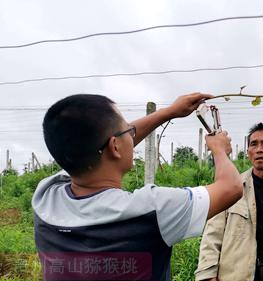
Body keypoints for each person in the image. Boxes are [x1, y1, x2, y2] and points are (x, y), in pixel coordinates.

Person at [32, 93, 243, 281]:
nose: (132, 135)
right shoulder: (151, 210)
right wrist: (220, 150)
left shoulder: (45, 196)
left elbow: (97, 143)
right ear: (115, 146)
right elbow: (231, 187)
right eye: (128, 131)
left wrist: (169, 112)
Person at [195, 122, 263, 281]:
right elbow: (213, 234)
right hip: (239, 273)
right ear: (248, 152)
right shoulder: (231, 188)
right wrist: (208, 275)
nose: (259, 149)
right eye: (254, 144)